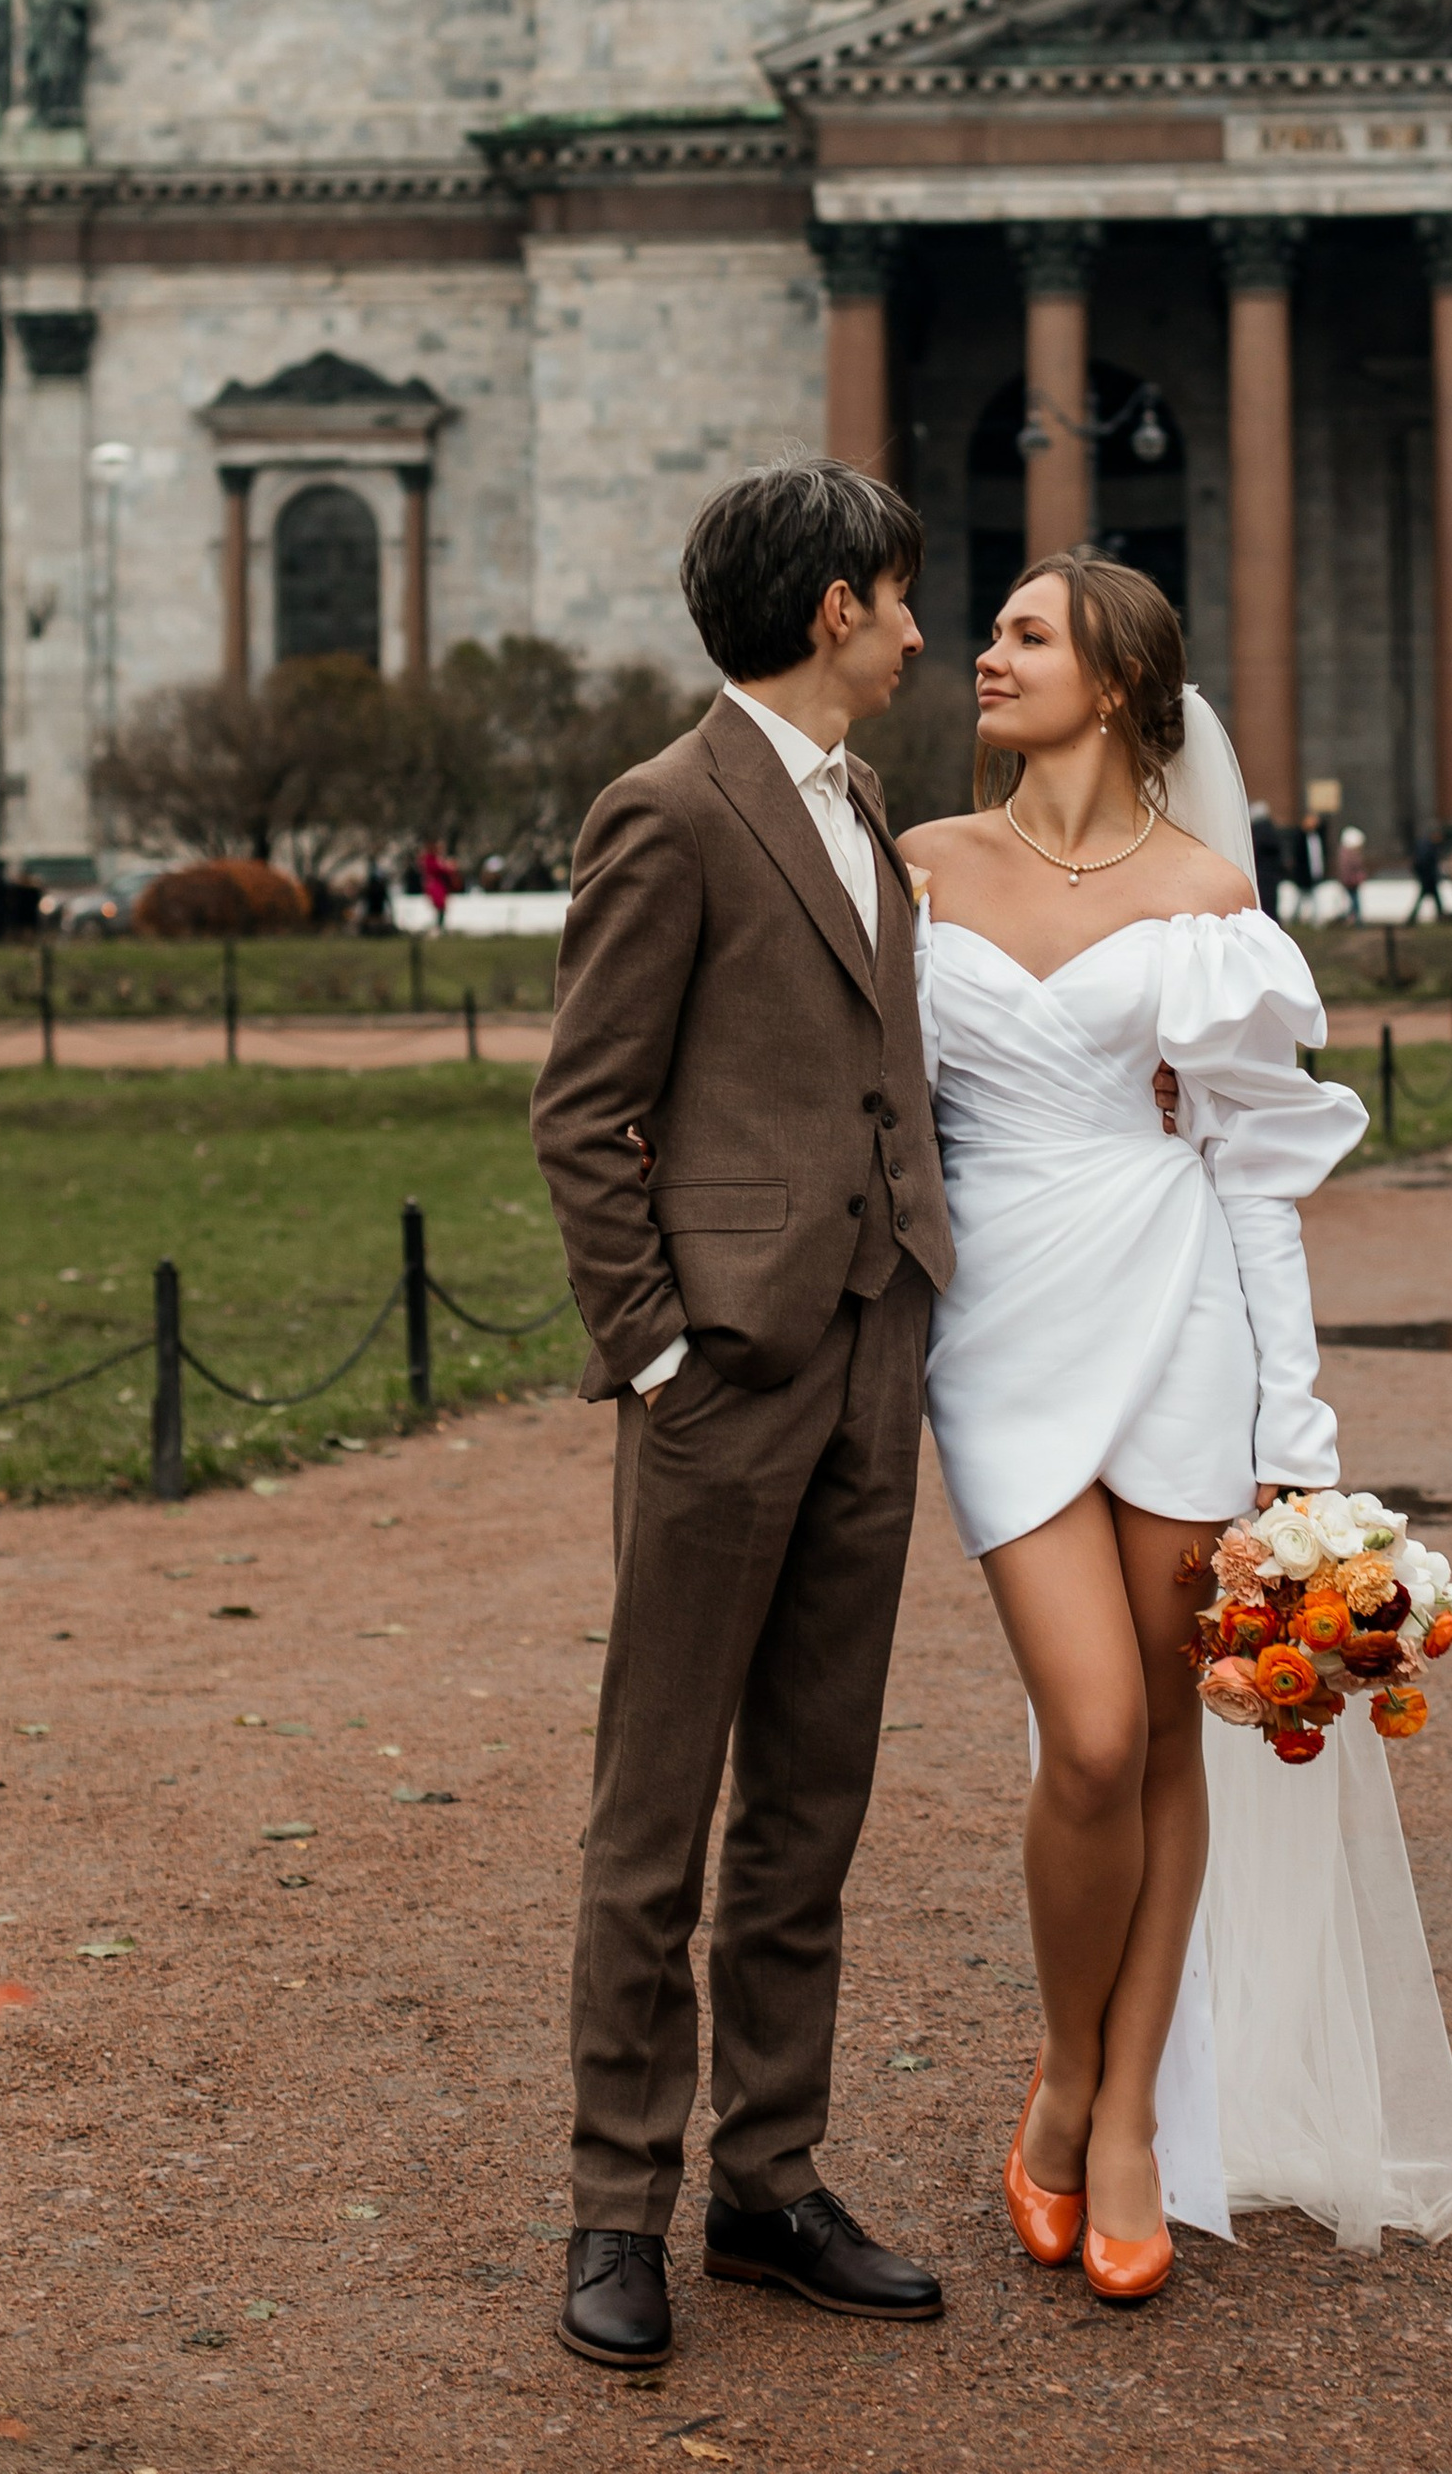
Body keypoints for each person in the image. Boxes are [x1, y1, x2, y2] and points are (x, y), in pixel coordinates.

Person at [902, 553, 1452, 2299]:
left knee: (1167, 1738)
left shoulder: (1213, 898)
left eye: (1023, 635)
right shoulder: (917, 868)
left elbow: (1253, 1179)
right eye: (991, 631)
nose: (982, 654)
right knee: (1085, 1738)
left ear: (1122, 687)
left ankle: (1121, 2109)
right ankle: (1071, 2073)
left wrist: (1294, 1432)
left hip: (1179, 1316)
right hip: (997, 1327)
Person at [531, 460, 955, 2373]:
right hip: (722, 1375)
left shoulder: (866, 803)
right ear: (833, 609)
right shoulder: (670, 810)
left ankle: (769, 2181)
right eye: (901, 596)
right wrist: (656, 1350)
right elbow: (582, 1109)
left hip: (872, 1360)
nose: (923, 631)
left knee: (813, 1800)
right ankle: (615, 2206)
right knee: (656, 1812)